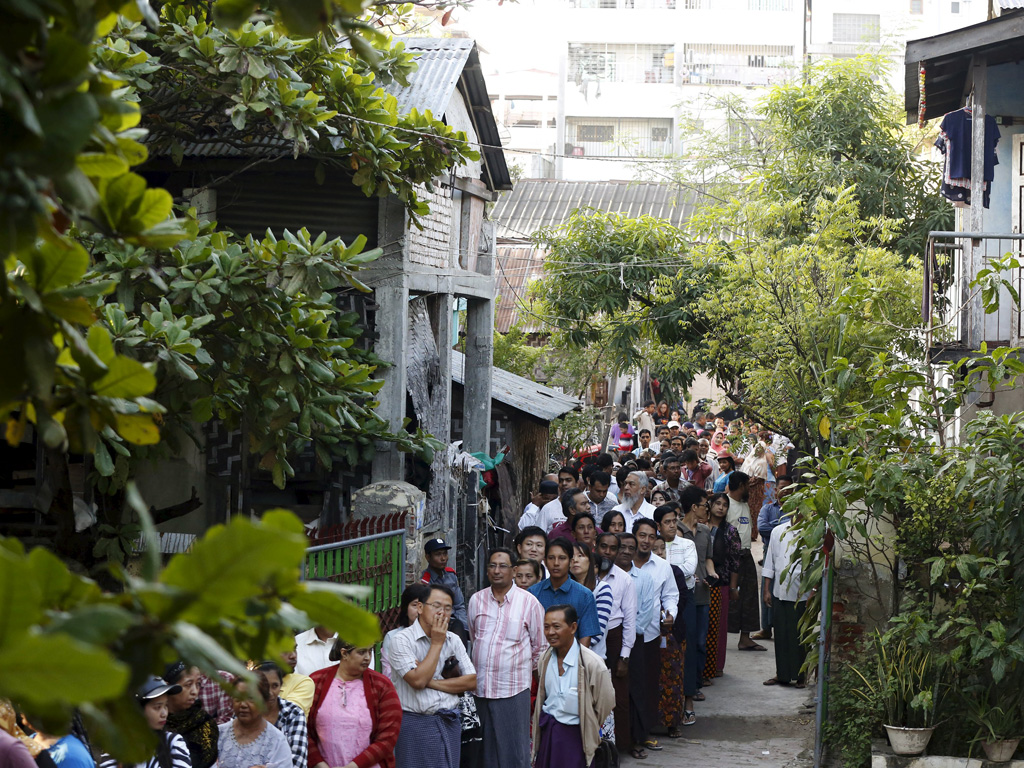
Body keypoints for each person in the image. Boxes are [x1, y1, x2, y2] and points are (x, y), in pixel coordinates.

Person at [468, 548, 546, 768]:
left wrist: (516, 668)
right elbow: (475, 639)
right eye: (492, 565)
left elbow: (540, 647)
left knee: (514, 751)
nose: (496, 571)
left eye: (502, 566)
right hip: (481, 689)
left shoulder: (529, 603)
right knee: (485, 752)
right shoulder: (476, 600)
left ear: (513, 571)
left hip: (512, 689)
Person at [387, 585, 477, 768]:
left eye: (447, 608)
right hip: (415, 723)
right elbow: (418, 681)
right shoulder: (401, 640)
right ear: (420, 608)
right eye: (436, 606)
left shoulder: (454, 639)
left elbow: (471, 681)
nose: (442, 613)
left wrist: (432, 682)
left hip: (449, 720)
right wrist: (436, 643)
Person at [531, 606, 615, 768]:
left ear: (573, 627)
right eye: (546, 627)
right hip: (550, 733)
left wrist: (589, 723)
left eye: (556, 626)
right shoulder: (544, 659)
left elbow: (605, 703)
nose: (550, 633)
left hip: (576, 737)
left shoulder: (592, 663)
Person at [308, 639, 402, 768]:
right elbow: (303, 730)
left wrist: (354, 766)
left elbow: (388, 736)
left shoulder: (382, 686)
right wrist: (319, 764)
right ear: (344, 653)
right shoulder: (316, 681)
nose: (368, 658)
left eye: (370, 651)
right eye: (362, 652)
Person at [677, 487, 719, 723]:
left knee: (701, 641)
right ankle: (687, 688)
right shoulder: (677, 531)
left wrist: (711, 574)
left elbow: (708, 558)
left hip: (703, 592)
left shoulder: (705, 531)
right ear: (694, 507)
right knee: (687, 642)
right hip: (685, 595)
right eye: (705, 505)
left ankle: (695, 683)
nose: (708, 509)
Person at [592, 533, 635, 754]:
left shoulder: (624, 579)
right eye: (603, 547)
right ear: (596, 547)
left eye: (612, 548)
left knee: (616, 695)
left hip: (615, 638)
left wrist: (624, 655)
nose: (607, 552)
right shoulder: (585, 573)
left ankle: (617, 748)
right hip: (589, 638)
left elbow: (629, 619)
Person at [762, 504, 810, 687]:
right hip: (779, 591)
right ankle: (781, 674)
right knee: (780, 635)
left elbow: (815, 565)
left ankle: (800, 675)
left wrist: (812, 591)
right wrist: (767, 589)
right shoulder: (777, 531)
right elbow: (770, 561)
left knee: (798, 636)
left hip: (800, 593)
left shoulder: (810, 533)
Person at [528, 539, 600, 646]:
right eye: (551, 558)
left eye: (562, 558)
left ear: (571, 562)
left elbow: (585, 638)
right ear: (545, 561)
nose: (556, 563)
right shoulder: (532, 593)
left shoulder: (584, 595)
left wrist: (576, 661)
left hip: (572, 659)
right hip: (538, 658)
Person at [216, 676, 291, 768]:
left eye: (251, 698)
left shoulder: (277, 741)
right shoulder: (218, 734)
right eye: (238, 698)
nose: (243, 704)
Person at [726, 472, 764, 651]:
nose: (750, 488)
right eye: (748, 485)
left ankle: (745, 638)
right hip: (729, 556)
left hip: (746, 554)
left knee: (749, 596)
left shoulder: (745, 504)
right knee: (727, 596)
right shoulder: (725, 504)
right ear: (741, 485)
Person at [705, 493, 741, 680]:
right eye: (717, 503)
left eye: (724, 505)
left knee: (719, 626)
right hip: (701, 581)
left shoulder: (730, 531)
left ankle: (717, 666)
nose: (720, 507)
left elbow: (735, 562)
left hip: (723, 582)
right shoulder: (701, 527)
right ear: (709, 505)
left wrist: (734, 588)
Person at [754, 476, 793, 642]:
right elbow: (762, 528)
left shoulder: (795, 510)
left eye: (788, 488)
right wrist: (783, 529)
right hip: (769, 552)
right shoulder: (767, 509)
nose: (785, 491)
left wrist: (775, 527)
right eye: (782, 487)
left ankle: (783, 627)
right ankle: (766, 628)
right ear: (776, 490)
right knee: (767, 589)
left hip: (789, 553)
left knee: (784, 589)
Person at [250, 664, 307, 768]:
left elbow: (298, 762)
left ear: (281, 686)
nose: (270, 692)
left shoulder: (294, 713)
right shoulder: (246, 712)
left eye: (275, 686)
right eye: (264, 686)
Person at [163, 662, 218, 768]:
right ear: (168, 686)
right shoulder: (155, 721)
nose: (195, 691)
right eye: (188, 685)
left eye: (198, 684)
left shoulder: (203, 722)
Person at [381, 583, 433, 678]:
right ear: (406, 608)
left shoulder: (437, 637)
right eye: (414, 605)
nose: (419, 611)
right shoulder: (392, 637)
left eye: (423, 606)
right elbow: (388, 676)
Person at [420, 538, 470, 632]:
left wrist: (464, 627)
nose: (443, 558)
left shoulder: (451, 575)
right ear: (428, 557)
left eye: (445, 553)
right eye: (438, 554)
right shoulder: (426, 582)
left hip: (457, 622)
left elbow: (459, 605)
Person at [278, 643, 314, 717]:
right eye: (285, 650)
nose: (293, 655)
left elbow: (285, 717)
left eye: (295, 649)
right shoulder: (251, 681)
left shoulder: (303, 682)